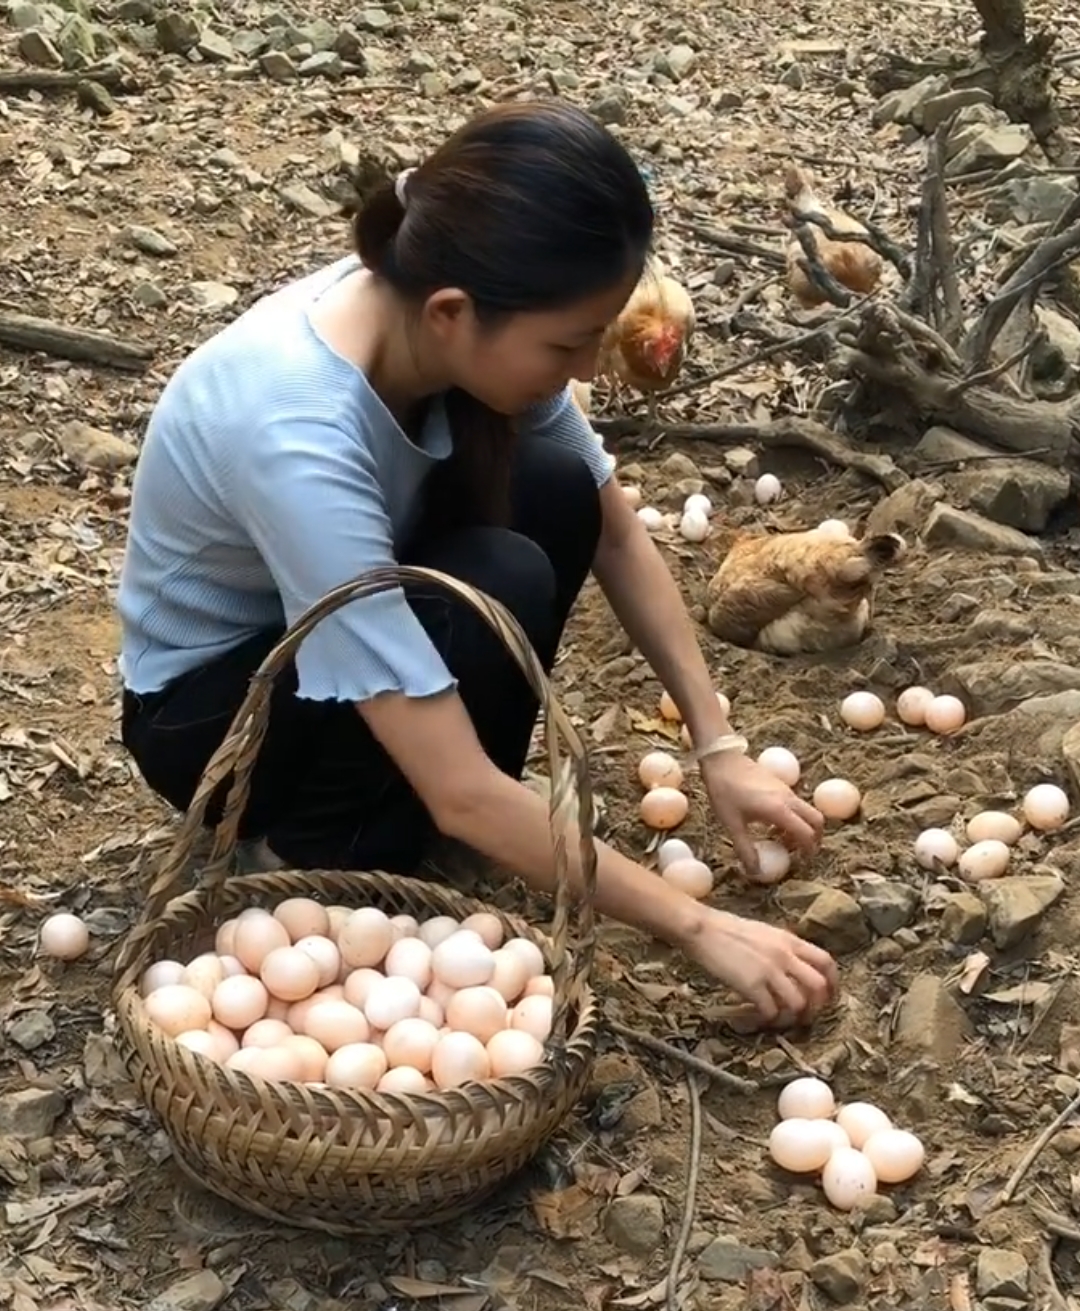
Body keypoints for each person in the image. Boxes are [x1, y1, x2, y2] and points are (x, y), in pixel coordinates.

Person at [117, 100, 837, 1027]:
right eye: (568, 344)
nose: (587, 370)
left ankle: (423, 819)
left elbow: (615, 534)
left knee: (553, 488)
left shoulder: (450, 312)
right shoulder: (294, 427)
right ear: (453, 315)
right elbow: (461, 790)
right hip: (217, 725)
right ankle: (308, 856)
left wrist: (718, 746)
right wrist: (697, 926)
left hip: (339, 637)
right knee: (492, 581)